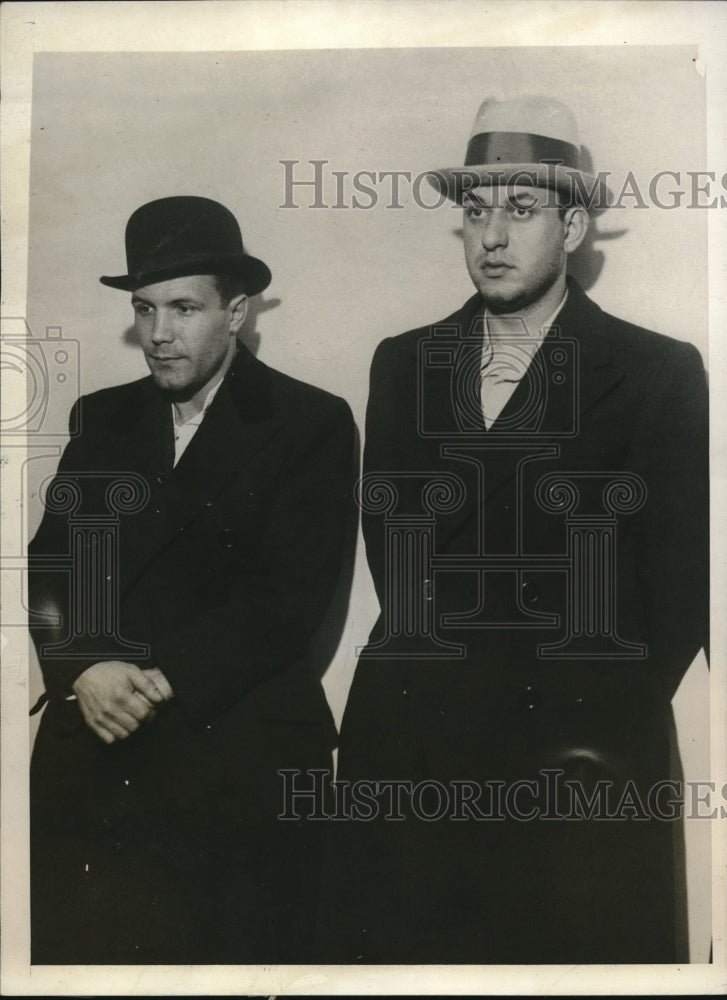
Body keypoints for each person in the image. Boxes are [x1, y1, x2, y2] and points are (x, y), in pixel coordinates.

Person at [334, 96, 709, 963]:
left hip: (579, 766)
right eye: (474, 211)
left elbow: (680, 587)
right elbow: (395, 555)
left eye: (521, 208)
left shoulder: (657, 372)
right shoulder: (402, 361)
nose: (491, 236)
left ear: (573, 225)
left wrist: (589, 721)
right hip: (413, 759)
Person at [28, 195, 355, 964]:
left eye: (183, 307)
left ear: (236, 311)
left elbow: (290, 599)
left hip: (233, 767)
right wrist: (84, 667)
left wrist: (150, 680)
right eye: (144, 309)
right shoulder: (100, 417)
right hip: (96, 765)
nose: (158, 334)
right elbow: (52, 568)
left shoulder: (310, 421)